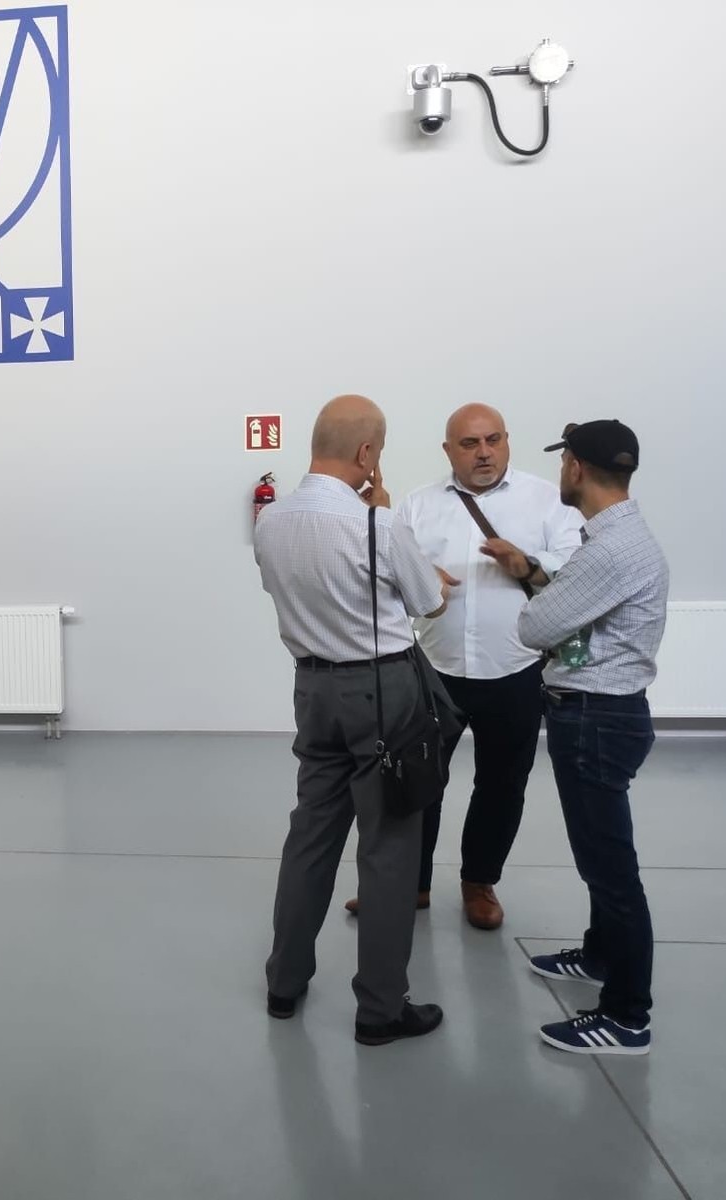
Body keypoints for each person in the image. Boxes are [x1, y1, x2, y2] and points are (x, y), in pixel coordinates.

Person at [253, 394, 450, 1046]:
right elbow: (427, 602)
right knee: (389, 846)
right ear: (368, 453)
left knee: (311, 833)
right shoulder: (378, 524)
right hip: (383, 690)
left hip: (312, 689)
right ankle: (381, 1008)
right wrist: (384, 518)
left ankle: (284, 982)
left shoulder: (271, 522)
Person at [343, 405, 582, 929]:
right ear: (448, 450)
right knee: (416, 783)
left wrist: (528, 565)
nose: (484, 453)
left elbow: (577, 567)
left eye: (493, 440)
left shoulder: (547, 500)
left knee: (502, 785)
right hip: (433, 671)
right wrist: (418, 572)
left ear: (507, 440)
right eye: (470, 444)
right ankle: (410, 884)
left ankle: (479, 882)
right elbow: (386, 574)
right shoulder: (417, 506)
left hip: (515, 669)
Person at [515, 420, 668, 1056]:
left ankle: (627, 1017)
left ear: (576, 467)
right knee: (599, 859)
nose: (561, 471)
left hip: (596, 717)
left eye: (563, 461)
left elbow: (534, 627)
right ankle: (601, 956)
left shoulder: (609, 551)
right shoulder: (618, 537)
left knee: (610, 870)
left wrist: (538, 596)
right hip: (602, 713)